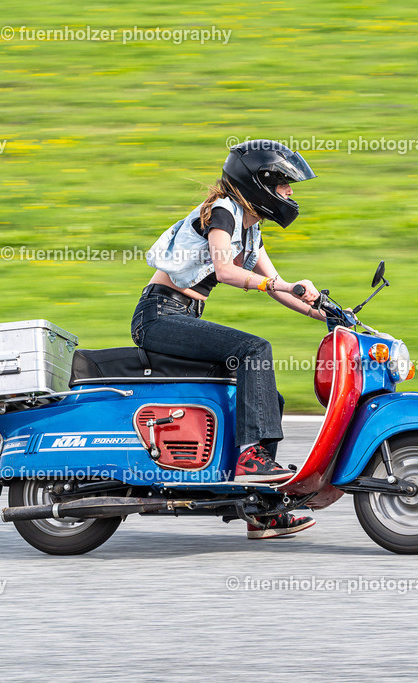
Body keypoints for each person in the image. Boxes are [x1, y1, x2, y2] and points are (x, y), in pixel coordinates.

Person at [132, 139, 327, 539]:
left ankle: (260, 507)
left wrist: (324, 312)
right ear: (260, 183)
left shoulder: (250, 229)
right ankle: (250, 461)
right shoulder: (224, 213)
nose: (291, 193)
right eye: (285, 184)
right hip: (159, 316)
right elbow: (225, 271)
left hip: (181, 315)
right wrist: (276, 283)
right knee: (254, 350)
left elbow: (278, 287)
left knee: (268, 397)